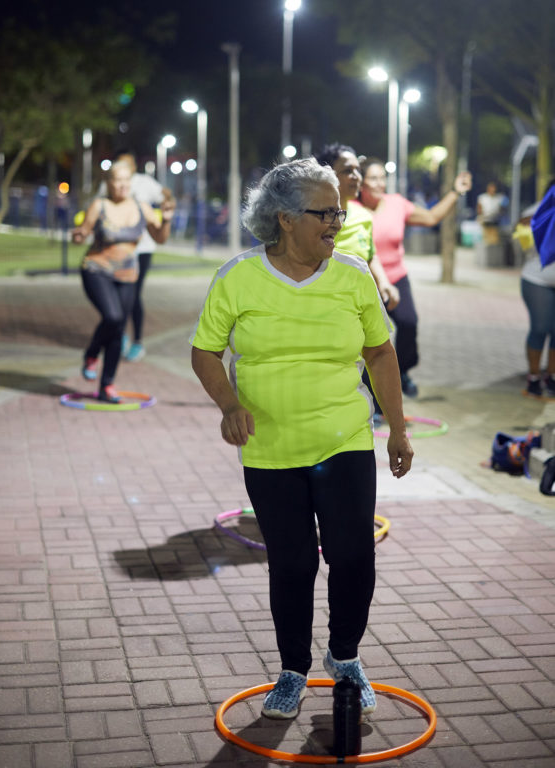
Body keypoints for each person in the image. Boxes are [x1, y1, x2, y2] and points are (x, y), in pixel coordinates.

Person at [190, 157, 413, 720]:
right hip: (271, 449)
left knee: (353, 555)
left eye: (340, 210)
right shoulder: (238, 277)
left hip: (344, 439)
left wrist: (398, 430)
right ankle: (292, 670)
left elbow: (380, 353)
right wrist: (229, 404)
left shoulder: (354, 274)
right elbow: (205, 350)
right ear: (285, 219)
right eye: (325, 212)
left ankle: (344, 657)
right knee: (291, 565)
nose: (337, 220)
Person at [359, 157, 472, 398]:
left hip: (396, 277)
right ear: (360, 182)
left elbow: (431, 217)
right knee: (371, 340)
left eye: (382, 178)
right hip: (365, 282)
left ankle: (402, 373)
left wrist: (455, 192)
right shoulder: (351, 209)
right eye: (373, 178)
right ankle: (372, 397)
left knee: (409, 323)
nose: (380, 183)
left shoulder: (396, 204)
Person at [72, 159, 175, 402]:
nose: (122, 185)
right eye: (117, 181)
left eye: (126, 181)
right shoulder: (100, 205)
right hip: (97, 270)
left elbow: (160, 238)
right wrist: (78, 235)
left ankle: (106, 385)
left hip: (128, 275)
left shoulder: (142, 207)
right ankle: (92, 353)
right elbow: (83, 233)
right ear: (109, 183)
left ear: (131, 182)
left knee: (118, 330)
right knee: (113, 317)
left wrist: (167, 219)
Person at [315, 143, 399, 311]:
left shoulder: (364, 216)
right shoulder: (312, 218)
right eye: (347, 171)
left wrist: (383, 282)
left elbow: (370, 255)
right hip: (321, 304)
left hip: (357, 303)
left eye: (357, 171)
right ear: (327, 175)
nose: (356, 177)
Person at [105, 152, 170, 363]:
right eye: (120, 162)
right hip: (116, 250)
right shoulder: (108, 187)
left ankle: (137, 341)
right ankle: (119, 334)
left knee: (132, 294)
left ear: (133, 166)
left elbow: (166, 196)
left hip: (141, 250)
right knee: (115, 293)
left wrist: (167, 209)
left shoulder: (144, 183)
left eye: (128, 163)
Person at [516, 182, 555, 398]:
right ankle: (533, 378)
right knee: (540, 328)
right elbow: (523, 240)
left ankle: (551, 376)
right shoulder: (536, 211)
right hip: (537, 279)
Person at [477, 181, 508, 245]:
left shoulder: (498, 198)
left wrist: (499, 215)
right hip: (485, 220)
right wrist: (481, 217)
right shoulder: (483, 197)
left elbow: (502, 208)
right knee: (486, 238)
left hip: (495, 220)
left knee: (494, 239)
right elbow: (479, 208)